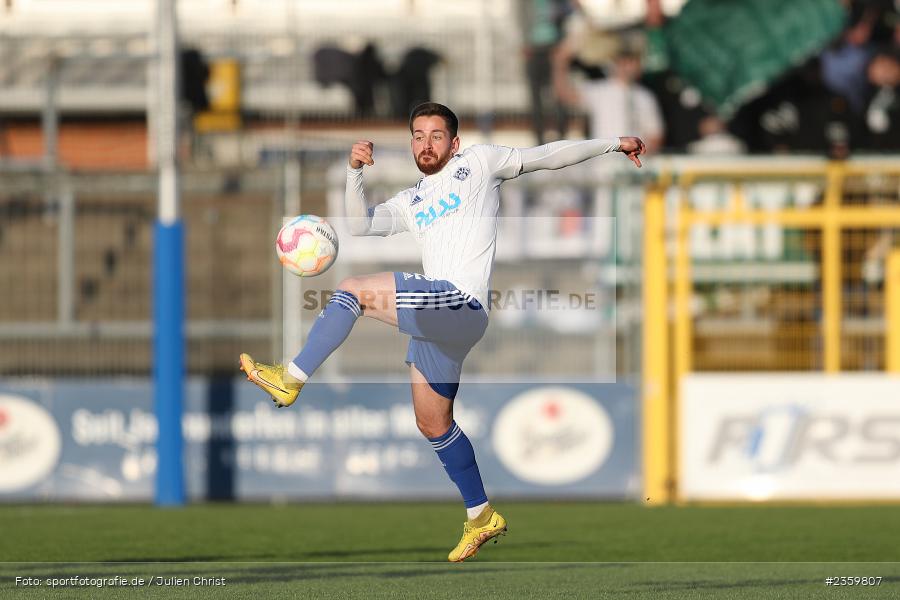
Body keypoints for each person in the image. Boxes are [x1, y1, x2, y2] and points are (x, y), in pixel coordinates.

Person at [239, 102, 645, 562]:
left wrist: (613, 144)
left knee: (353, 290)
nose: (426, 144)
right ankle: (481, 514)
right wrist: (354, 171)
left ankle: (291, 377)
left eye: (436, 136)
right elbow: (360, 224)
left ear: (454, 143)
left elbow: (547, 155)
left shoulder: (480, 163)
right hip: (443, 322)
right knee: (433, 423)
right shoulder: (412, 200)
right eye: (418, 136)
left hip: (458, 302)